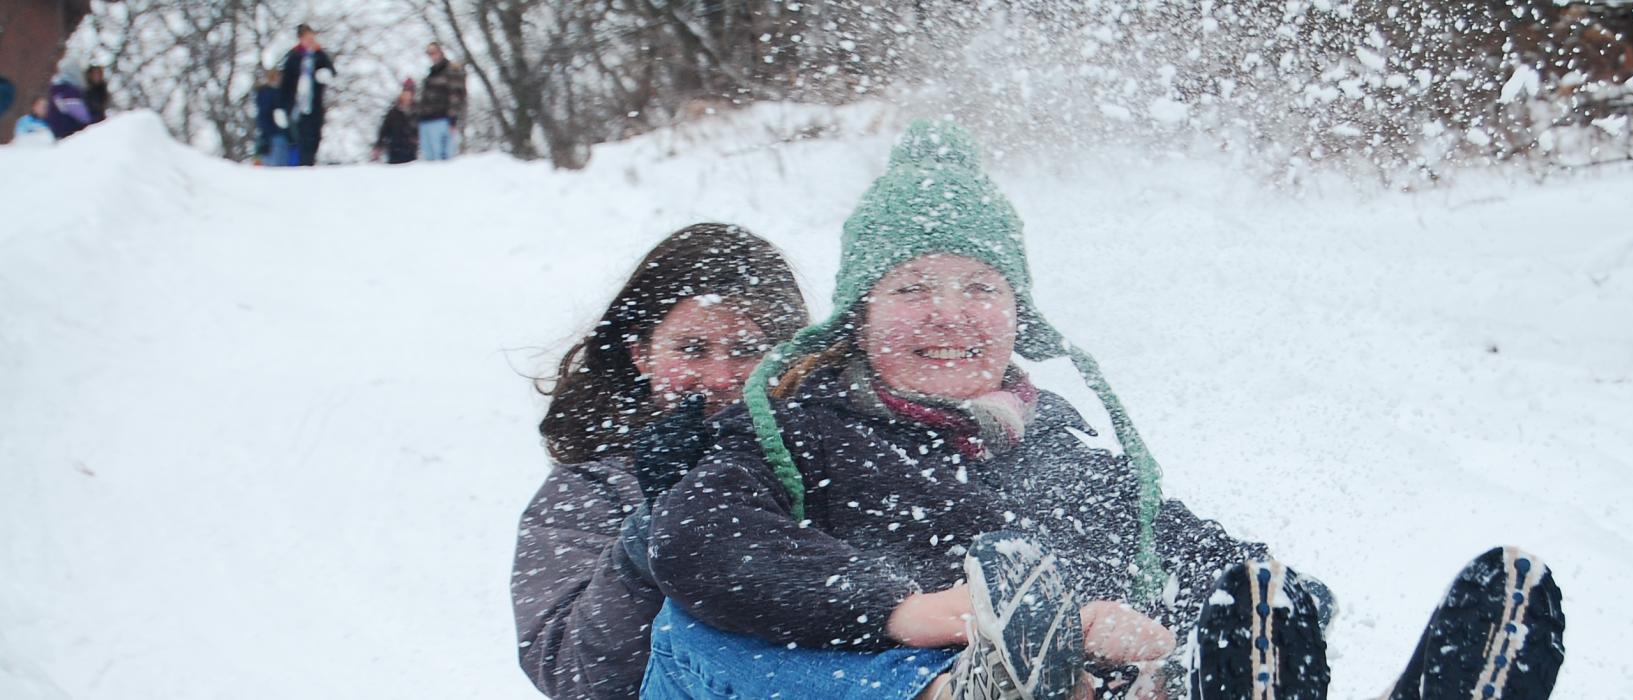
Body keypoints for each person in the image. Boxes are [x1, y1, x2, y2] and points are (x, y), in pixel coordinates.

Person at [639, 121, 1567, 700]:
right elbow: (701, 540)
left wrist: (1270, 603)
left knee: (1199, 644)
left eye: (981, 285)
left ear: (1019, 315)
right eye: (913, 286)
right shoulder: (802, 432)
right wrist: (930, 613)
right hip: (896, 678)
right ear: (858, 315)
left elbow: (1171, 537)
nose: (951, 313)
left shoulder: (1055, 445)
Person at [512, 224, 811, 700]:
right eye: (692, 349)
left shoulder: (829, 458)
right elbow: (577, 676)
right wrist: (660, 522)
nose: (720, 376)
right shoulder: (591, 489)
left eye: (746, 350)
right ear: (641, 355)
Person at [275, 24, 336, 166]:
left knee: (315, 137)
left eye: (312, 38)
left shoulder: (319, 55)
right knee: (303, 139)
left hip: (315, 105)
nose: (310, 41)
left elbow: (331, 71)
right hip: (298, 107)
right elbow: (285, 84)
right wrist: (280, 107)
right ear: (301, 39)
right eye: (307, 38)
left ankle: (310, 163)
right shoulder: (293, 57)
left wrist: (325, 73)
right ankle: (304, 166)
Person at [416, 42, 465, 161]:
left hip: (442, 119)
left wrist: (453, 119)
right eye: (429, 53)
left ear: (440, 52)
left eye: (433, 52)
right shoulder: (431, 74)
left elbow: (456, 96)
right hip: (426, 120)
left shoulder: (451, 70)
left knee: (443, 160)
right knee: (429, 159)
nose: (431, 56)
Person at [252, 69, 294, 166]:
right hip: (273, 135)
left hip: (278, 135)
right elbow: (265, 115)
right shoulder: (267, 93)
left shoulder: (280, 92)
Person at [372, 80, 418, 164]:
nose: (407, 96)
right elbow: (384, 129)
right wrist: (379, 145)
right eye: (405, 92)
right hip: (394, 149)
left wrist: (416, 138)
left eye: (410, 92)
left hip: (410, 150)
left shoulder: (417, 111)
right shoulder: (393, 112)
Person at [45, 59, 92, 140]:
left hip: (60, 132)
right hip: (69, 133)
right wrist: (94, 124)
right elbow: (81, 115)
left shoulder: (58, 88)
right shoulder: (68, 89)